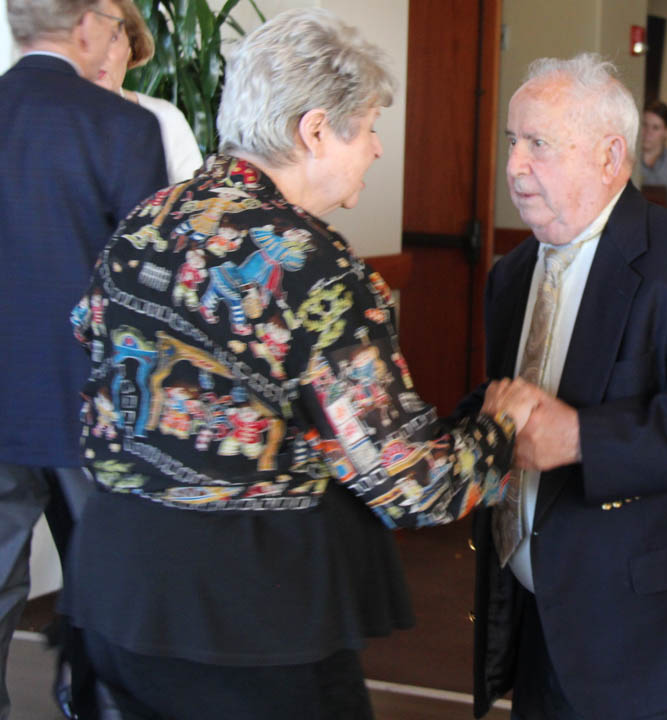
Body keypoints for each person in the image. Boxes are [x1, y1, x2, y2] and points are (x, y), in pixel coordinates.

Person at [61, 9, 536, 719]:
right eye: (370, 125)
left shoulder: (150, 221)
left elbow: (89, 344)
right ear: (315, 130)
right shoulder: (313, 269)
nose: (378, 148)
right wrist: (502, 427)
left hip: (110, 594)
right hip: (243, 621)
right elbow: (411, 485)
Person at [463, 54, 667, 719]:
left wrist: (578, 437)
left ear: (611, 155)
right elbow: (506, 416)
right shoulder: (512, 273)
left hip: (662, 642)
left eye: (538, 145)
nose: (514, 166)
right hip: (541, 630)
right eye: (511, 143)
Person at [0, 1, 167, 717]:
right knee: (109, 590)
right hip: (93, 407)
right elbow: (149, 288)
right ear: (89, 24)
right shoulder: (122, 126)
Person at [94, 0, 203, 184]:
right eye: (87, 38)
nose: (100, 52)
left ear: (131, 47)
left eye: (112, 37)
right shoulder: (44, 120)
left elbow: (196, 206)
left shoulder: (165, 119)